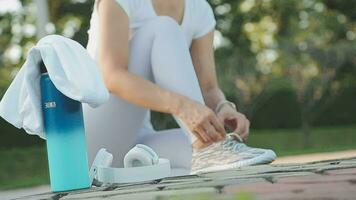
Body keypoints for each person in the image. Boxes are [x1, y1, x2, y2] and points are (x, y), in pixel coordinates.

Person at [84, 0, 275, 175]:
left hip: (137, 141)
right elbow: (112, 77)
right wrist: (182, 106)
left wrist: (222, 107)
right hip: (92, 139)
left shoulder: (199, 10)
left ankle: (208, 149)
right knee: (164, 27)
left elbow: (208, 87)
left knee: (212, 161)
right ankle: (205, 146)